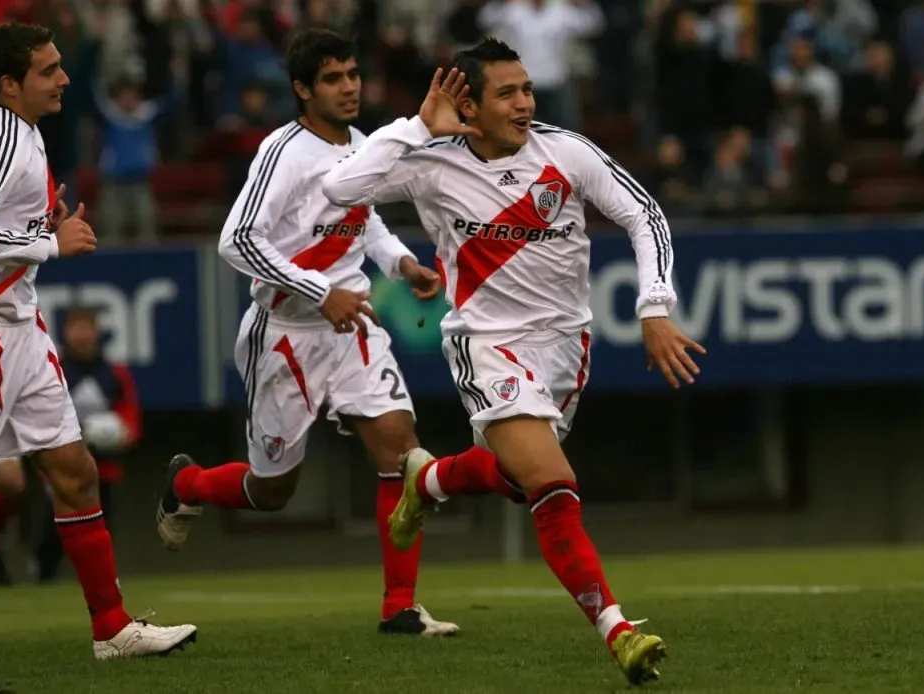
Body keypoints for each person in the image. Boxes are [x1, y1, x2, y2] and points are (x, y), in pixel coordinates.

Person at [322, 38, 706, 685]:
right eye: (507, 92)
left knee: (516, 477)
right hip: (486, 342)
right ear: (468, 104)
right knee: (553, 484)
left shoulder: (566, 151)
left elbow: (643, 215)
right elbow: (339, 187)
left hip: (565, 347)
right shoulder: (430, 162)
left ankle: (430, 481)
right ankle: (616, 630)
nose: (525, 102)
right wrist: (418, 127)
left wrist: (655, 305)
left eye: (526, 88)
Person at [155, 28, 512, 637]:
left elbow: (363, 218)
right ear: (301, 89)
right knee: (272, 491)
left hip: (356, 325)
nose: (350, 87)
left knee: (403, 452)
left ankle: (399, 606)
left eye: (353, 74)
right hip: (287, 332)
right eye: (333, 78)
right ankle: (186, 484)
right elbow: (236, 241)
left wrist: (400, 261)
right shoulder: (282, 152)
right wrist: (322, 293)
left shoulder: (362, 143)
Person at [0, 22, 196, 659]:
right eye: (48, 70)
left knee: (75, 471)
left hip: (19, 323)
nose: (63, 78)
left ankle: (111, 629)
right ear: (10, 84)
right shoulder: (6, 138)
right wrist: (50, 243)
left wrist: (36, 222)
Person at [0, 306, 142, 585]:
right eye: (77, 328)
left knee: (97, 515)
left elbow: (131, 419)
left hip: (103, 462)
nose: (83, 335)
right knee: (21, 486)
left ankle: (98, 578)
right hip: (55, 449)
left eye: (88, 328)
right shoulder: (52, 367)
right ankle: (25, 557)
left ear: (98, 332)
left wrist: (122, 433)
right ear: (65, 332)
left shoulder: (115, 373)